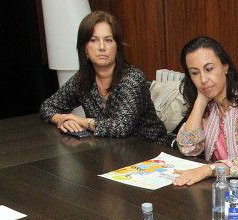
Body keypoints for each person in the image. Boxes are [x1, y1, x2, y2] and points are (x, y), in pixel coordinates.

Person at [39, 10, 169, 143]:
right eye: (94, 40)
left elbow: (121, 127)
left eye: (108, 40)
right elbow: (48, 107)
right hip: (109, 150)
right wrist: (61, 119)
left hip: (150, 149)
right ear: (84, 48)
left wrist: (81, 121)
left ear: (117, 46)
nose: (101, 47)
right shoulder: (82, 80)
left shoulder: (132, 78)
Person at [171, 36, 238, 186]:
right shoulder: (209, 105)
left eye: (209, 69)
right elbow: (188, 148)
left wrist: (207, 170)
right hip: (224, 185)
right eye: (195, 73)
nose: (203, 79)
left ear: (225, 66)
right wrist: (201, 101)